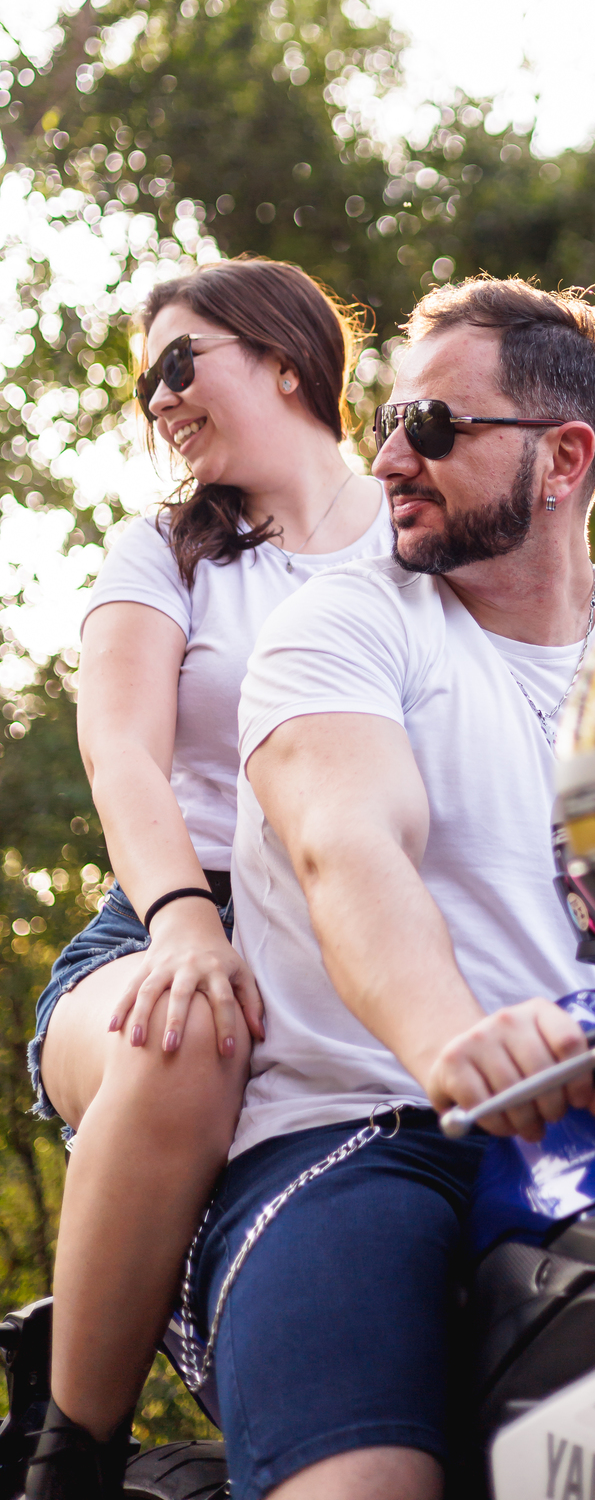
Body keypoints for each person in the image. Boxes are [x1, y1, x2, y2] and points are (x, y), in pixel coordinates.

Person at [186, 277, 595, 1500]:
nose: (385, 458)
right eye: (389, 420)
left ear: (562, 458)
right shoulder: (347, 624)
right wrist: (457, 1042)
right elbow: (347, 845)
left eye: (432, 428)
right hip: (370, 1133)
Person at [26, 258, 394, 1498]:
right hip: (170, 914)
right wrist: (184, 922)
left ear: (284, 358)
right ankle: (70, 1449)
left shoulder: (418, 545)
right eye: (146, 384)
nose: (159, 398)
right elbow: (119, 749)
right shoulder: (167, 551)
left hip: (360, 930)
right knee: (185, 1031)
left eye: (180, 361)